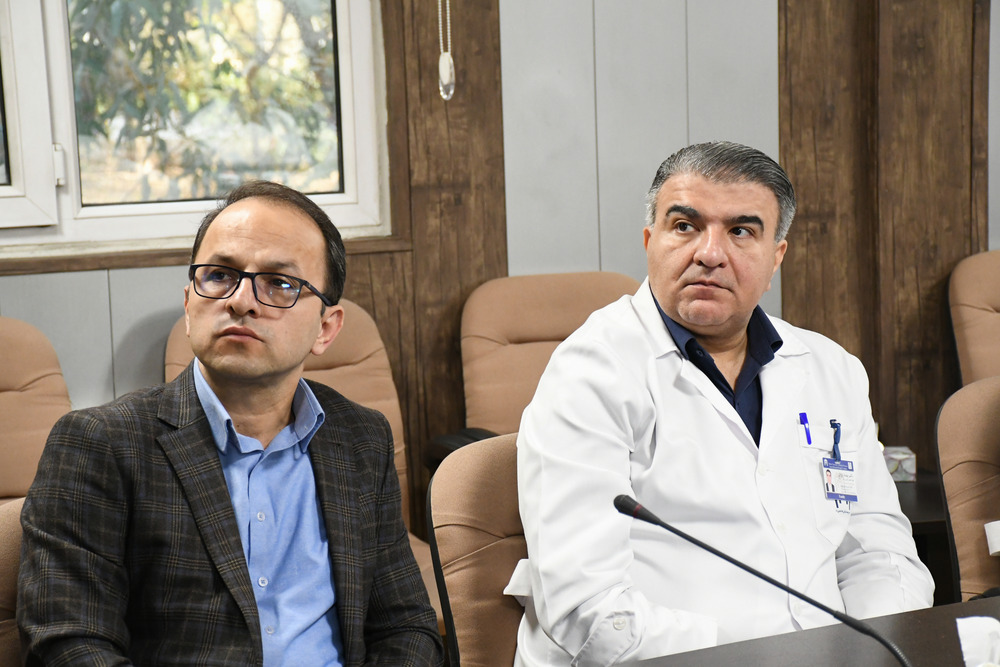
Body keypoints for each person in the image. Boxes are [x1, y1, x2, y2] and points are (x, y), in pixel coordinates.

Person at [504, 141, 934, 665]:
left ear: (776, 257)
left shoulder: (831, 369)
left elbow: (881, 555)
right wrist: (765, 659)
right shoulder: (592, 372)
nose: (709, 253)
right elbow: (586, 608)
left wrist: (874, 651)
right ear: (650, 241)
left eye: (741, 231)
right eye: (685, 226)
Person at [18, 181, 443, 666]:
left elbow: (405, 626)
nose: (241, 301)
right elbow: (68, 644)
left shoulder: (361, 436)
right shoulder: (101, 444)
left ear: (326, 329)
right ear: (188, 305)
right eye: (220, 275)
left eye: (279, 283)